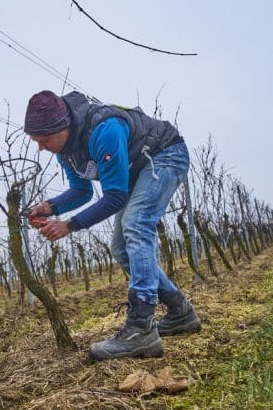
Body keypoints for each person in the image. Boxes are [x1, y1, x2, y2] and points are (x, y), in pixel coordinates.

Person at [23, 89, 199, 362]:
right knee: (121, 248)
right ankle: (180, 312)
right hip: (137, 170)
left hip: (165, 154)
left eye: (44, 139)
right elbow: (82, 191)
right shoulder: (66, 151)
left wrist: (69, 225)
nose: (41, 147)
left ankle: (141, 328)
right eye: (36, 141)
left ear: (63, 127)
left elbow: (115, 197)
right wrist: (50, 207)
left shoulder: (104, 130)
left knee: (136, 224)